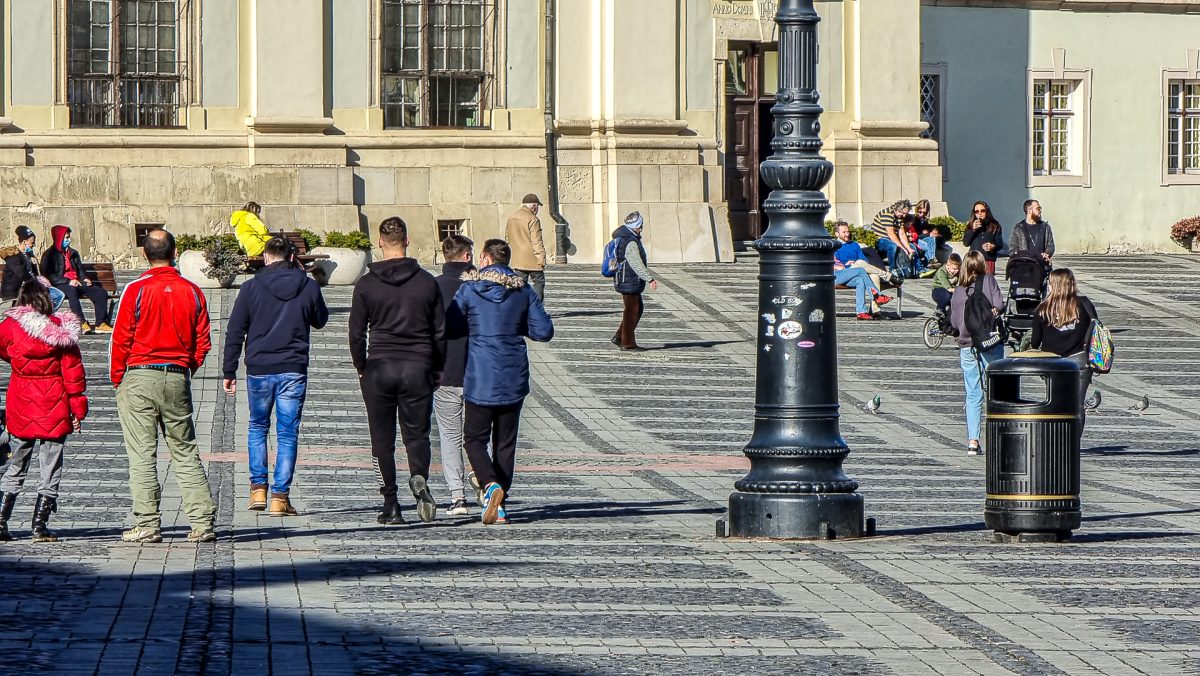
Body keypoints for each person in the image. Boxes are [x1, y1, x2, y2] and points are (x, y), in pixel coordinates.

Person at [110, 229, 217, 543]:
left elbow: (121, 339)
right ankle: (202, 522)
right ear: (176, 252)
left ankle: (147, 522)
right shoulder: (193, 291)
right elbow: (203, 343)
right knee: (184, 451)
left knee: (142, 454)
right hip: (176, 375)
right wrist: (186, 368)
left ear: (145, 254)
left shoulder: (136, 289)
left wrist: (118, 378)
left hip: (139, 374)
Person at [222, 237, 329, 517]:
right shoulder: (307, 286)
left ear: (266, 257)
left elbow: (235, 331)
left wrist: (229, 370)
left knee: (257, 427)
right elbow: (320, 320)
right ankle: (280, 498)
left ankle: (258, 489)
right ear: (291, 257)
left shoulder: (250, 287)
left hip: (259, 368)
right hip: (292, 367)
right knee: (287, 433)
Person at [450, 239, 553, 525]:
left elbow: (452, 325)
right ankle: (501, 506)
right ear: (507, 260)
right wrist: (517, 326)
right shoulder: (523, 291)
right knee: (505, 444)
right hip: (513, 376)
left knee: (473, 439)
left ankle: (490, 485)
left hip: (481, 376)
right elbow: (544, 331)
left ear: (484, 259)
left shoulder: (470, 289)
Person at [349, 217, 444, 525]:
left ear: (380, 242)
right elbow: (440, 331)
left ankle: (391, 503)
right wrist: (437, 368)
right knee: (417, 435)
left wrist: (361, 365)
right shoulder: (427, 282)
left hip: (379, 366)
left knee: (382, 439)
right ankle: (418, 476)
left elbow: (356, 333)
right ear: (407, 240)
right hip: (418, 365)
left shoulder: (366, 284)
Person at [0, 281, 88, 543]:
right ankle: (39, 526)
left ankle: (1, 521)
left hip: (21, 400)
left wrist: (19, 362)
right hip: (54, 401)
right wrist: (77, 410)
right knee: (51, 465)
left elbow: (4, 350)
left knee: (16, 463)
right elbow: (73, 375)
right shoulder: (62, 331)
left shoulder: (10, 326)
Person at [433, 234, 475, 516]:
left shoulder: (432, 287)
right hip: (476, 374)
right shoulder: (477, 288)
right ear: (467, 257)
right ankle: (484, 482)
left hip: (443, 372)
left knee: (449, 437)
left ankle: (458, 497)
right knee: (476, 435)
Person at [1031, 269, 1097, 441]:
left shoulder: (1042, 309)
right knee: (1077, 405)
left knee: (1055, 403)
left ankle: (1057, 439)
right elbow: (1096, 329)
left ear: (1053, 285)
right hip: (1080, 360)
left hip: (1052, 363)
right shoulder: (1083, 304)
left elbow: (1035, 341)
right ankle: (1073, 443)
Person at [951, 251, 1006, 456]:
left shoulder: (958, 290)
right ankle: (999, 437)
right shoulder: (989, 281)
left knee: (973, 394)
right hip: (990, 342)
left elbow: (955, 322)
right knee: (997, 390)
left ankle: (973, 441)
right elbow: (999, 305)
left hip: (967, 345)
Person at [40, 225, 112, 333]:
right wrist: (68, 281)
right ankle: (81, 322)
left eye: (69, 238)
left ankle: (100, 324)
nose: (68, 240)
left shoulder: (73, 253)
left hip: (76, 281)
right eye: (66, 238)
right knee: (71, 290)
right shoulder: (49, 254)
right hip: (60, 283)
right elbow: (48, 275)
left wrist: (85, 278)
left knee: (100, 292)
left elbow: (80, 269)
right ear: (59, 238)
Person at [610, 212, 658, 351]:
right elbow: (636, 263)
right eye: (640, 226)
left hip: (625, 278)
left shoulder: (624, 236)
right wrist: (649, 279)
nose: (641, 229)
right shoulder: (629, 240)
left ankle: (619, 336)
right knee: (632, 311)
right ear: (635, 226)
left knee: (636, 308)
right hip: (629, 280)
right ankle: (628, 343)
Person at [832, 222, 893, 316]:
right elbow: (836, 264)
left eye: (848, 231)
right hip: (840, 274)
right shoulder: (833, 246)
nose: (847, 234)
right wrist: (848, 265)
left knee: (868, 277)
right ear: (837, 233)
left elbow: (864, 259)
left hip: (857, 270)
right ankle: (883, 284)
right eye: (844, 232)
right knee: (860, 268)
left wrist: (855, 263)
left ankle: (867, 311)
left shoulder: (854, 244)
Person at [505, 194, 547, 300]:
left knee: (519, 285)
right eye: (537, 206)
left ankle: (519, 308)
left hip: (517, 258)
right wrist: (541, 258)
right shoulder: (533, 219)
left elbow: (507, 238)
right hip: (532, 258)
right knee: (539, 282)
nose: (537, 209)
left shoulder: (511, 217)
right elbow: (537, 241)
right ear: (534, 206)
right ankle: (537, 308)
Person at [871, 200, 922, 278]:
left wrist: (908, 248)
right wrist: (903, 249)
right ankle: (893, 269)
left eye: (906, 213)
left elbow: (902, 233)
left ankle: (920, 269)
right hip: (880, 239)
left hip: (891, 238)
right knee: (892, 246)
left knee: (912, 247)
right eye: (903, 213)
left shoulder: (900, 216)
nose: (904, 216)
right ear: (897, 209)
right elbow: (891, 234)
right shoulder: (887, 214)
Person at [1011, 199, 1055, 269]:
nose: (1040, 210)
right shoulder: (1019, 228)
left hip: (1042, 266)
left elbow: (1050, 245)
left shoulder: (1045, 227)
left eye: (1040, 208)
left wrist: (1047, 254)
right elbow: (1013, 248)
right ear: (1029, 211)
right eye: (1038, 208)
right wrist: (1019, 259)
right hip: (1024, 267)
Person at [963, 201, 1005, 275]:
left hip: (988, 260)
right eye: (977, 211)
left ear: (987, 212)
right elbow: (966, 243)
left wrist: (992, 246)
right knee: (973, 284)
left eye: (982, 211)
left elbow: (999, 244)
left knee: (986, 284)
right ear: (974, 213)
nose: (980, 213)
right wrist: (973, 230)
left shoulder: (994, 225)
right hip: (973, 260)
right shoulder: (971, 225)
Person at [911, 199, 941, 271]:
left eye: (924, 213)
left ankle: (931, 260)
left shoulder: (924, 220)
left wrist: (932, 233)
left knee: (931, 239)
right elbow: (915, 236)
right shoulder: (913, 219)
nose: (921, 214)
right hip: (914, 241)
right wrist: (927, 234)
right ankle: (930, 262)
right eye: (920, 212)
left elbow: (925, 233)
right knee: (927, 243)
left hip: (921, 239)